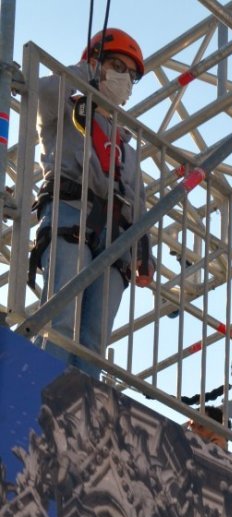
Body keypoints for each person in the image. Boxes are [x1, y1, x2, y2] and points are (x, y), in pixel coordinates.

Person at [31, 28, 154, 379]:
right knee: (61, 317)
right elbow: (41, 94)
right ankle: (43, 393)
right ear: (96, 63)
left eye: (131, 75)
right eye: (118, 67)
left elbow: (139, 203)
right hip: (72, 214)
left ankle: (79, 409)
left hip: (114, 240)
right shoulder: (67, 112)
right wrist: (83, 72)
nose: (125, 79)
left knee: (93, 340)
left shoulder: (126, 144)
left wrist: (144, 253)